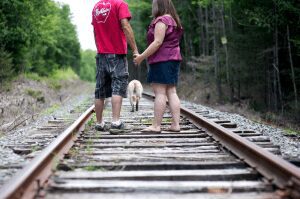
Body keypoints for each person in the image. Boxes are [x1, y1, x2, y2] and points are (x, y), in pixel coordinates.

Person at [134, 0, 183, 133]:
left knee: (160, 92)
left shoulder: (162, 20)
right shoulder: (174, 20)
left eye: (154, 4)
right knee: (171, 91)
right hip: (173, 59)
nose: (152, 7)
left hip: (162, 60)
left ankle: (156, 126)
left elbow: (157, 42)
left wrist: (141, 57)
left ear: (159, 5)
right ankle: (175, 124)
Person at [92, 0, 139, 134]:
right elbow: (125, 25)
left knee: (100, 89)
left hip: (101, 54)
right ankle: (116, 122)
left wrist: (100, 48)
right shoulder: (120, 4)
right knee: (118, 85)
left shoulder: (96, 7)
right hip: (116, 53)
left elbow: (95, 31)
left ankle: (99, 123)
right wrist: (135, 49)